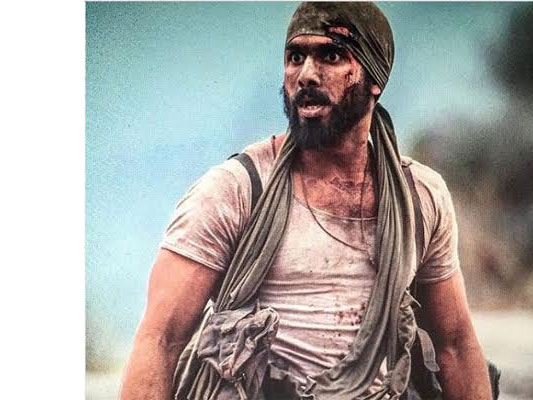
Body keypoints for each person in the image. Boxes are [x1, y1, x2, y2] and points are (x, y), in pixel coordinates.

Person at [120, 2, 494, 399]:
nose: (306, 75)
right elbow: (160, 339)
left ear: (375, 78)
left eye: (330, 56)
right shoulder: (235, 190)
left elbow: (455, 344)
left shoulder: (418, 196)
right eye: (295, 57)